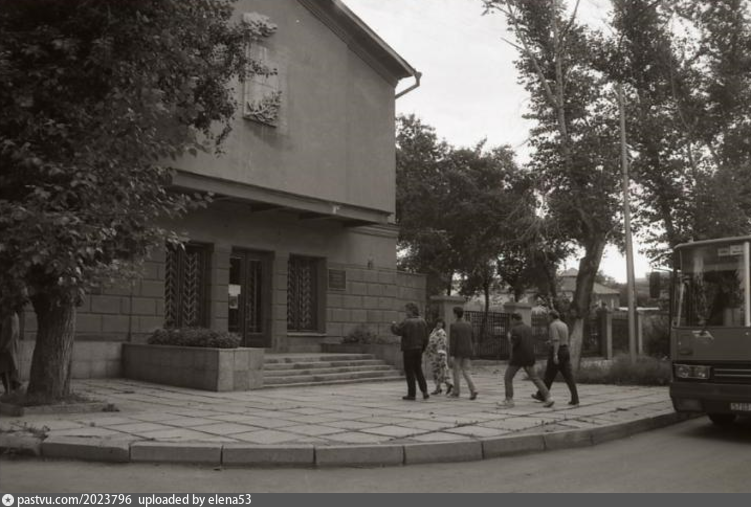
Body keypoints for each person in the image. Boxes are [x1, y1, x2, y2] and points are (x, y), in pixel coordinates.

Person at [500, 312, 554, 408]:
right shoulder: (529, 328)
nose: (511, 322)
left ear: (514, 319)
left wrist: (509, 337)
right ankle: (549, 397)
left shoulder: (515, 329)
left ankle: (509, 400)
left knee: (508, 378)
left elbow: (514, 343)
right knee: (535, 378)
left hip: (518, 358)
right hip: (529, 357)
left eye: (511, 320)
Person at [533, 309, 580, 407]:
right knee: (569, 376)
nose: (547, 318)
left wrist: (555, 354)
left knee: (549, 375)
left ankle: (542, 395)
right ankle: (575, 398)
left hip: (557, 351)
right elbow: (562, 338)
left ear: (551, 316)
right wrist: (550, 342)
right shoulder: (564, 324)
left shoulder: (553, 325)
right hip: (565, 350)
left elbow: (556, 340)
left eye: (548, 316)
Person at [391, 303, 430, 401]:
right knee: (418, 370)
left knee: (409, 372)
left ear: (411, 311)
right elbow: (426, 338)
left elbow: (398, 331)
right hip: (418, 349)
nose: (406, 312)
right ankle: (424, 391)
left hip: (409, 349)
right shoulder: (422, 321)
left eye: (407, 310)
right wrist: (422, 348)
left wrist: (393, 325)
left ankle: (412, 394)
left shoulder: (407, 322)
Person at [448, 306, 478, 400]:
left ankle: (456, 391)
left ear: (455, 314)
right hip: (468, 351)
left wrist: (451, 354)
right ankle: (473, 389)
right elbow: (473, 338)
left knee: (456, 371)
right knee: (466, 371)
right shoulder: (469, 324)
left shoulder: (454, 325)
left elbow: (453, 341)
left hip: (458, 351)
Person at [426, 318, 453, 395]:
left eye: (441, 323)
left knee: (441, 371)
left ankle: (447, 384)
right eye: (438, 322)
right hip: (433, 355)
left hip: (440, 354)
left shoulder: (442, 333)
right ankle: (439, 387)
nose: (439, 324)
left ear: (443, 324)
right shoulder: (434, 331)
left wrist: (440, 354)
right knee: (436, 371)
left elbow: (442, 344)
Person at [0, 311, 22, 394]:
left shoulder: (11, 316)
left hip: (8, 348)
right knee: (7, 369)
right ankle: (10, 390)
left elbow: (11, 333)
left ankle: (10, 391)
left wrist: (4, 346)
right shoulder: (8, 316)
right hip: (7, 347)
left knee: (7, 369)